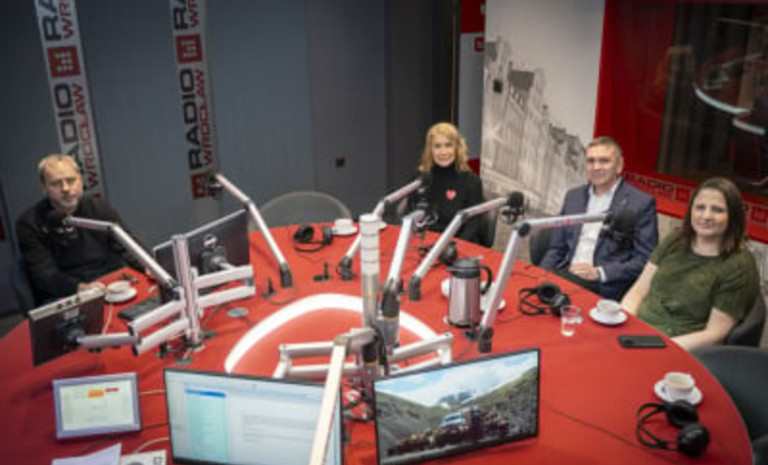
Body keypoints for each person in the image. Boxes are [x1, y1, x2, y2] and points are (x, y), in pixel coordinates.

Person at [622, 177, 760, 351]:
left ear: (733, 216)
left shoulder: (738, 265)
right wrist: (623, 324)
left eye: (717, 210)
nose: (706, 216)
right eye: (700, 207)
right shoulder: (675, 240)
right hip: (636, 335)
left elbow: (715, 334)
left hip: (678, 348)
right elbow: (639, 290)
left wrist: (658, 348)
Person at [539, 136, 659, 300]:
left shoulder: (641, 203)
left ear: (619, 165)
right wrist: (540, 275)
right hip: (565, 274)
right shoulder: (573, 196)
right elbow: (556, 247)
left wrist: (600, 273)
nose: (596, 167)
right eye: (591, 161)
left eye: (604, 161)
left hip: (603, 286)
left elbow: (646, 260)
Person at [16, 154, 144, 305]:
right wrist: (80, 288)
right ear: (44, 187)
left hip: (103, 281)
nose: (66, 188)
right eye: (56, 184)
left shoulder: (98, 208)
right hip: (62, 292)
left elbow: (127, 246)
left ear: (80, 180)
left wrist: (150, 268)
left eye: (71, 180)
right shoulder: (29, 223)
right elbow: (44, 274)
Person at [408, 122, 484, 244]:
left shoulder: (471, 181)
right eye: (437, 146)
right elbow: (410, 214)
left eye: (448, 145)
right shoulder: (420, 178)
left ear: (457, 148)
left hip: (458, 244)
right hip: (425, 243)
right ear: (430, 150)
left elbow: (473, 225)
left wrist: (453, 247)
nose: (443, 152)